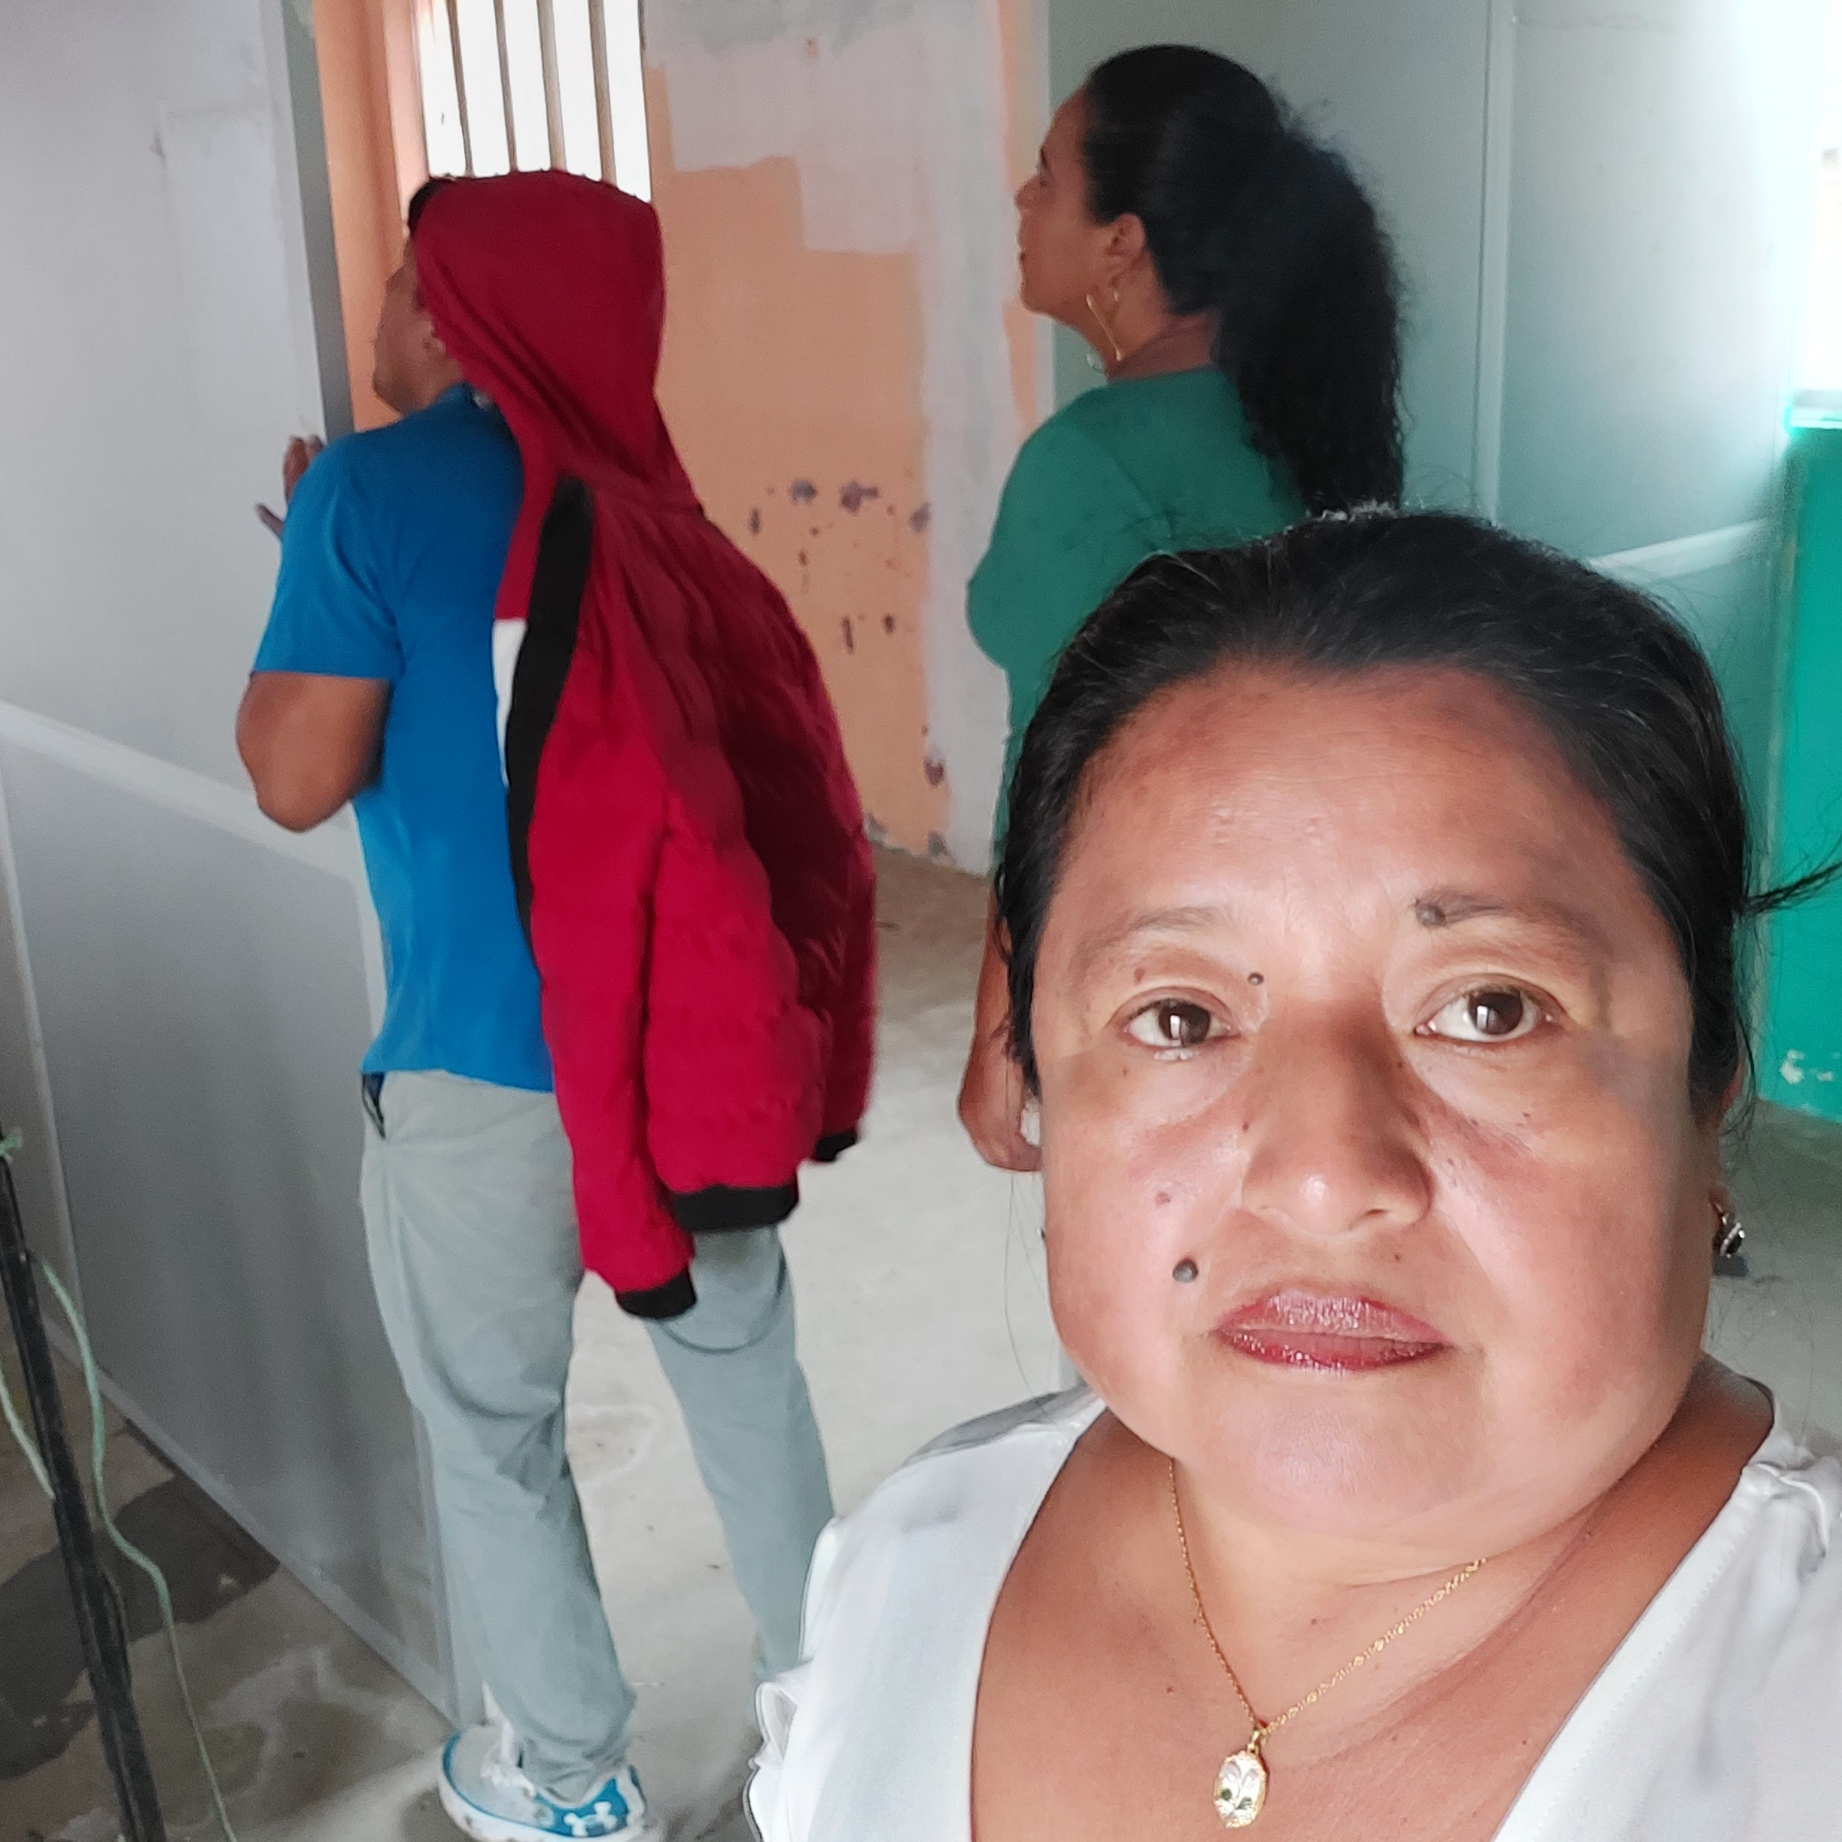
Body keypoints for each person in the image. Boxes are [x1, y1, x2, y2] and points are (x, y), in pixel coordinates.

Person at [749, 513, 1842, 1842]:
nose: (1323, 1182)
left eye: (1489, 1008)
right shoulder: (906, 1572)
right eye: (1177, 1016)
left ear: (1706, 1081)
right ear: (1031, 1069)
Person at [238, 172, 874, 1842]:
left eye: (402, 283)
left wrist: (323, 564)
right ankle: (842, 1721)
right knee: (743, 1380)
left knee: (491, 1428)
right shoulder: (651, 498)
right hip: (677, 1057)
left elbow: (294, 775)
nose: (382, 315)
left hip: (479, 1069)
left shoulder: (367, 491)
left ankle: (578, 1777)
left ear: (459, 316)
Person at [960, 44, 1403, 1169]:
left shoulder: (1090, 462)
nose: (1022, 200)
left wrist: (1002, 1025)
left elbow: (1050, 774)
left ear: (1122, 240)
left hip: (1166, 960)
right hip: (1322, 925)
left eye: (1048, 175)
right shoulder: (1298, 418)